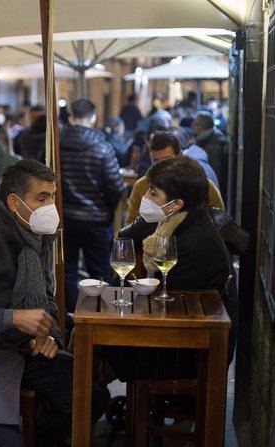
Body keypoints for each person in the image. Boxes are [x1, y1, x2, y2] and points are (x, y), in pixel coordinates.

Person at [0, 160, 108, 446]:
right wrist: (12, 319)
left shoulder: (37, 235)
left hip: (27, 349)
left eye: (52, 197)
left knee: (93, 397)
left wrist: (48, 335)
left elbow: (47, 301)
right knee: (5, 439)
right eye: (42, 198)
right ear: (14, 202)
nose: (51, 206)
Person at [116, 156, 237, 380]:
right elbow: (124, 236)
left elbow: (169, 301)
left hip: (192, 351)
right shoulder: (177, 220)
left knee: (108, 341)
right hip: (181, 332)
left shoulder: (195, 242)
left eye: (153, 193)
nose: (145, 197)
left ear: (176, 204)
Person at [60, 99, 125, 317]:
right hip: (96, 219)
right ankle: (99, 318)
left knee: (66, 271)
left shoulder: (55, 144)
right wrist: (107, 210)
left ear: (70, 117)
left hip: (64, 218)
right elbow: (116, 187)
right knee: (99, 272)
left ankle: (69, 320)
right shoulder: (102, 147)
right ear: (93, 118)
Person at [126, 131, 224, 225]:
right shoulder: (141, 186)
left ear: (180, 156)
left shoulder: (204, 186)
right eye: (156, 161)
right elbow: (130, 226)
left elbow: (221, 222)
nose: (161, 167)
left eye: (166, 160)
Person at [193, 111, 229, 197]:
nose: (193, 125)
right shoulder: (208, 138)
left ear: (202, 125)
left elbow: (215, 170)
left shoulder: (212, 143)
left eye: (196, 123)